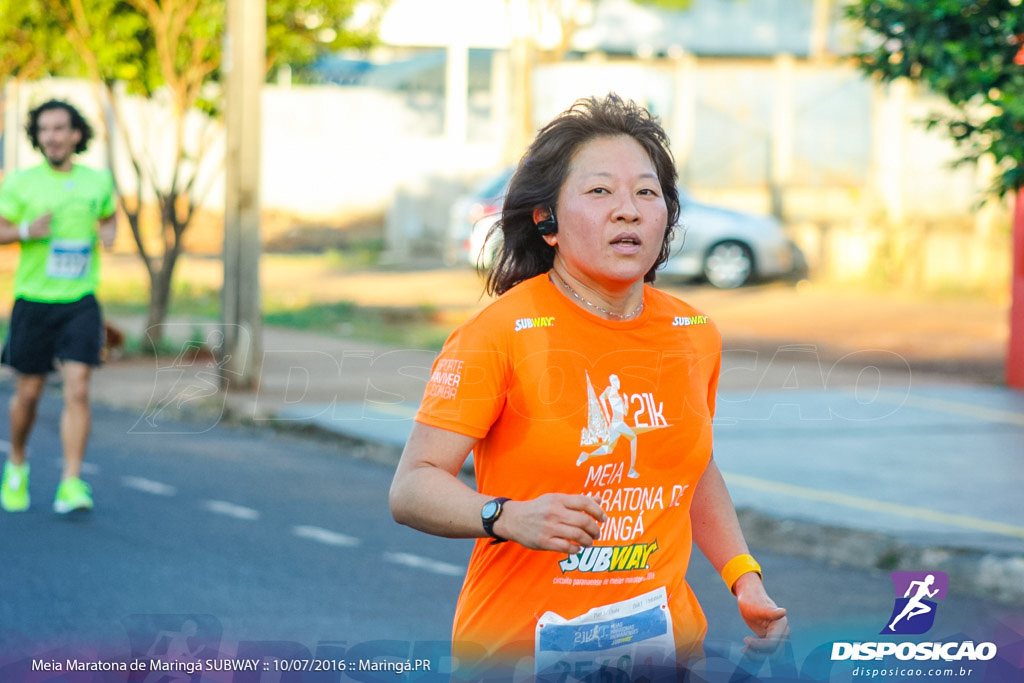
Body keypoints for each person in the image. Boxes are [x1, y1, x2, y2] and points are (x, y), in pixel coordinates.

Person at [390, 93, 788, 678]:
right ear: (545, 222)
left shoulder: (692, 332)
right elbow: (412, 488)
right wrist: (506, 516)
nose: (627, 211)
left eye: (646, 193)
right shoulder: (500, 333)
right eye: (600, 191)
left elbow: (690, 466)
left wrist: (743, 577)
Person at [0, 99, 117, 515]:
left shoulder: (97, 182)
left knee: (79, 388)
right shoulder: (19, 183)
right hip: (33, 302)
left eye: (59, 128)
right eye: (44, 129)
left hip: (80, 302)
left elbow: (108, 217)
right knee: (28, 394)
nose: (51, 136)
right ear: (38, 136)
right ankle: (16, 462)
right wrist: (28, 229)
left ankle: (71, 481)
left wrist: (108, 234)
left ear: (75, 135)